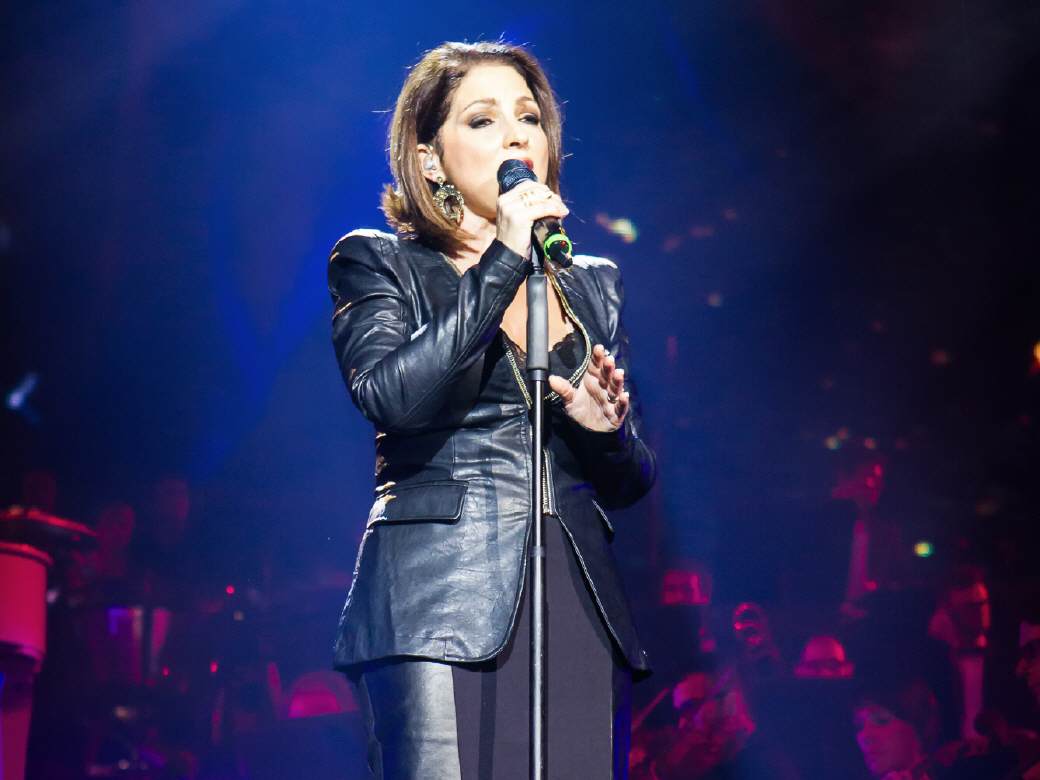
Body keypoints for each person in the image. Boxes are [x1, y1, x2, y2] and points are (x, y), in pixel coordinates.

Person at [327, 41, 657, 779]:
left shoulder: (592, 284)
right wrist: (503, 256)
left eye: (529, 118)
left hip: (577, 592)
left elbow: (631, 480)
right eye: (483, 120)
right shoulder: (378, 262)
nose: (515, 136)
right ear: (430, 160)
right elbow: (390, 396)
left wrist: (606, 433)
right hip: (439, 600)